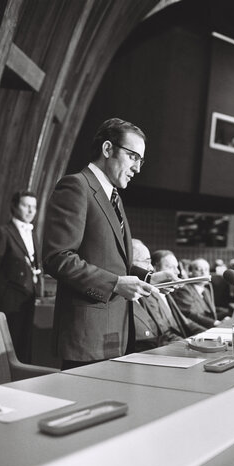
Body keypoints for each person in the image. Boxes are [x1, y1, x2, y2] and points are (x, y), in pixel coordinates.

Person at [42, 118, 172, 369]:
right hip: (86, 339)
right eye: (133, 156)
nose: (138, 168)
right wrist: (115, 284)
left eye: (141, 160)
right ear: (107, 149)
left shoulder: (114, 197)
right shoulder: (76, 186)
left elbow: (112, 262)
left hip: (115, 336)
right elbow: (57, 258)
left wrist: (148, 280)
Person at [0, 190, 40, 363]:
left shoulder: (33, 234)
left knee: (24, 349)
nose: (31, 211)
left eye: (34, 207)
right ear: (14, 207)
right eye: (26, 206)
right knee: (7, 351)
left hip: (27, 301)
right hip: (8, 302)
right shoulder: (2, 232)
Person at [132, 241, 205, 351]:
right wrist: (187, 344)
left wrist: (207, 334)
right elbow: (159, 335)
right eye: (171, 267)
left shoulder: (165, 292)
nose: (177, 271)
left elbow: (184, 321)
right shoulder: (146, 295)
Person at [173, 258, 230, 329]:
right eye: (199, 269)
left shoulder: (206, 290)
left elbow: (209, 311)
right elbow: (190, 314)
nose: (203, 273)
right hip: (196, 330)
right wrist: (216, 323)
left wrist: (229, 313)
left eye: (206, 269)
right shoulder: (184, 290)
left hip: (209, 327)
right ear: (190, 272)